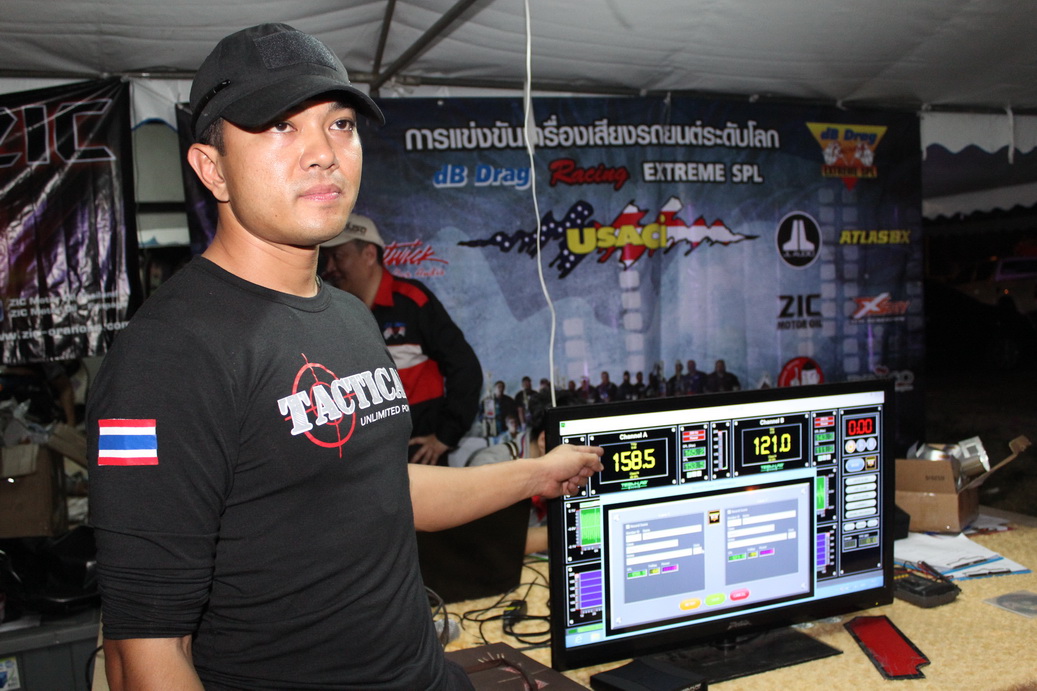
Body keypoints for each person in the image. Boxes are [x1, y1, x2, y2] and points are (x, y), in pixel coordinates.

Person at [87, 23, 602, 691]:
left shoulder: (350, 317)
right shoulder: (166, 358)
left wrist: (537, 472)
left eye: (339, 125)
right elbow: (144, 655)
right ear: (212, 168)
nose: (323, 154)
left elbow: (382, 487)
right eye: (280, 127)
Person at [321, 212, 482, 465]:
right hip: (363, 461)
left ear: (369, 255)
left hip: (417, 459)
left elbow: (465, 366)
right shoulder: (333, 312)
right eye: (326, 258)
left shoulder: (412, 301)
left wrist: (445, 436)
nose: (329, 268)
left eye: (338, 256)